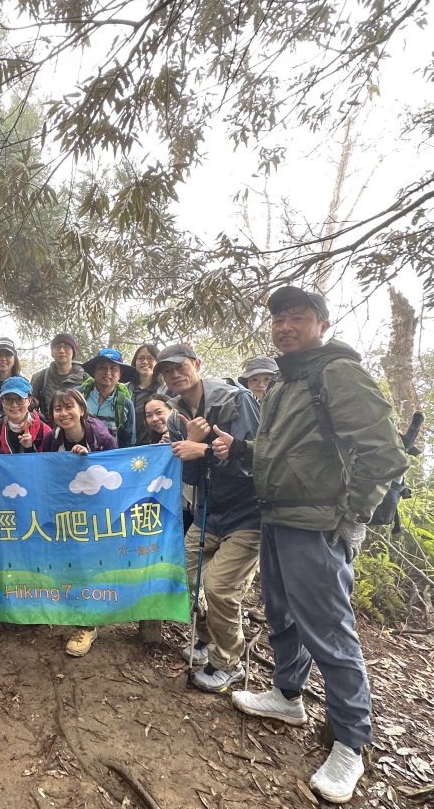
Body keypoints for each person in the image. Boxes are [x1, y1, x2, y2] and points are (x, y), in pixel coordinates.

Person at [212, 287, 408, 804]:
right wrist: (243, 449)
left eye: (296, 317)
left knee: (329, 632)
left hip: (317, 524)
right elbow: (282, 451)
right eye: (278, 318)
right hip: (276, 516)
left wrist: (353, 518)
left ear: (321, 322)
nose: (284, 327)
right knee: (281, 613)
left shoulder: (337, 374)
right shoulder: (285, 382)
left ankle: (351, 742)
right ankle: (288, 694)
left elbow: (384, 454)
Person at [153, 343, 261, 693]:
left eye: (180, 366)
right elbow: (189, 476)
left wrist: (200, 448)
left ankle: (228, 662)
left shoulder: (235, 400)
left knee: (219, 589)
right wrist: (194, 446)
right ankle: (206, 640)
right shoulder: (175, 416)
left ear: (197, 364)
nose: (174, 374)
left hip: (246, 515)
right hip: (206, 512)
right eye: (167, 371)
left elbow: (255, 460)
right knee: (185, 579)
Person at [39, 388, 117, 657]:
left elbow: (116, 469)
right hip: (65, 510)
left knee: (89, 566)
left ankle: (87, 625)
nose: (64, 414)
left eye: (69, 407)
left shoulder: (101, 436)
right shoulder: (52, 438)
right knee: (66, 564)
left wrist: (91, 457)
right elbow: (45, 470)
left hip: (97, 512)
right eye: (57, 409)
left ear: (82, 409)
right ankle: (70, 611)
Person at [0, 375, 51, 454]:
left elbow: (47, 463)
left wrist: (29, 448)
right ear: (2, 401)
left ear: (29, 400)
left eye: (20, 399)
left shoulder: (44, 431)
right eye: (8, 399)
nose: (14, 405)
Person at [81, 348, 138, 447]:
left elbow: (129, 443)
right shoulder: (79, 395)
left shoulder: (126, 404)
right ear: (94, 371)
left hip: (111, 459)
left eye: (113, 368)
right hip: (80, 455)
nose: (108, 372)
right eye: (102, 367)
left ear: (120, 374)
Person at [31, 333, 86, 425]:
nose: (61, 350)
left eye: (66, 346)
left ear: (73, 352)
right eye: (57, 347)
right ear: (52, 352)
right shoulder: (40, 378)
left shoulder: (85, 378)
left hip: (78, 432)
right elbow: (29, 405)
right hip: (49, 432)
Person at [129, 344, 166, 444]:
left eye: (150, 358)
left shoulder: (167, 389)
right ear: (135, 362)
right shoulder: (125, 390)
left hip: (157, 446)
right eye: (140, 358)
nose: (145, 362)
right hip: (127, 448)